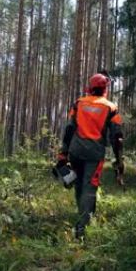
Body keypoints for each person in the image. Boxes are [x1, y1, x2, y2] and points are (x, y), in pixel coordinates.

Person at [57, 72, 124, 240]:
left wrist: (63, 153)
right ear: (105, 89)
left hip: (76, 151)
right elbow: (117, 137)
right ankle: (82, 228)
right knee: (89, 187)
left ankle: (85, 216)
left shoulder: (79, 103)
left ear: (90, 87)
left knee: (79, 184)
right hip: (94, 154)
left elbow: (69, 129)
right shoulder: (110, 107)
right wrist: (119, 159)